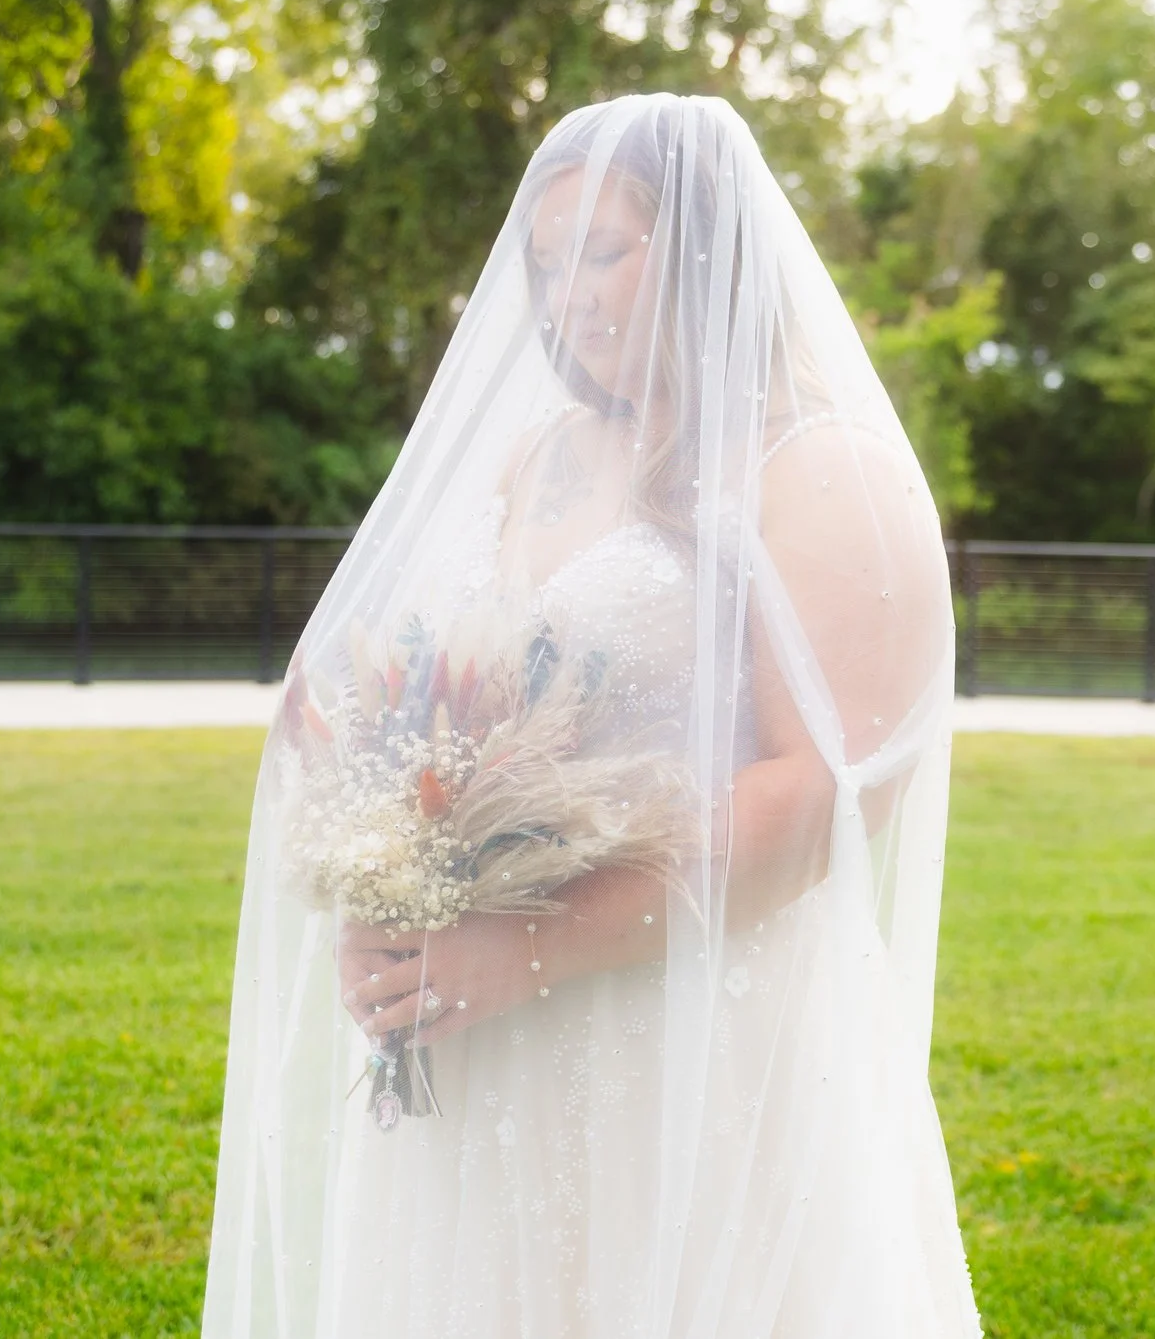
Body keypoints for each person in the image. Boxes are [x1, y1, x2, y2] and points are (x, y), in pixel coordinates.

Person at [202, 94, 978, 1338]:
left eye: (605, 252)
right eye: (547, 264)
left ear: (716, 245)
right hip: (485, 1053)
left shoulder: (821, 468)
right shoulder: (539, 458)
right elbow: (438, 705)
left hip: (687, 1045)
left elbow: (825, 790)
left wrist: (525, 946)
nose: (569, 295)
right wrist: (389, 899)